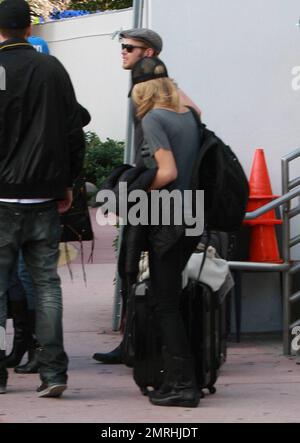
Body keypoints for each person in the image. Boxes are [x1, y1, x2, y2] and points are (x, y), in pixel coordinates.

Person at [93, 28, 201, 365]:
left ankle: (155, 355)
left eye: (129, 47)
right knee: (135, 271)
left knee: (146, 276)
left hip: (157, 197)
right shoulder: (157, 95)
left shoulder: (161, 100)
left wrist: (143, 183)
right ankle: (137, 343)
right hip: (157, 196)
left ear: (149, 53)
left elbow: (193, 119)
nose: (123, 52)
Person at [0, 0, 85, 397]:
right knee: (47, 284)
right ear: (27, 27)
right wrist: (67, 182)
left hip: (3, 197)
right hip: (44, 195)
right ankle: (53, 373)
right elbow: (74, 128)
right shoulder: (52, 68)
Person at [110, 57, 202, 407]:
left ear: (140, 90)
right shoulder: (188, 115)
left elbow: (166, 171)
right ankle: (183, 377)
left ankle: (182, 385)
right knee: (172, 298)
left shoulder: (152, 118)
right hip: (192, 215)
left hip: (168, 218)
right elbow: (197, 109)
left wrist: (134, 189)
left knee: (165, 303)